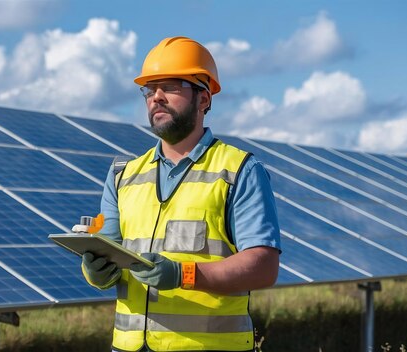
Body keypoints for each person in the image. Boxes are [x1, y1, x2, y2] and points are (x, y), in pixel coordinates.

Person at [80, 36, 281, 352]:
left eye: (171, 86)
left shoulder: (238, 170)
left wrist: (184, 274)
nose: (156, 97)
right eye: (150, 89)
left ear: (204, 99)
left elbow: (264, 266)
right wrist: (96, 271)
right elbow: (109, 258)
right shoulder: (123, 175)